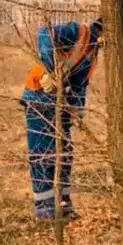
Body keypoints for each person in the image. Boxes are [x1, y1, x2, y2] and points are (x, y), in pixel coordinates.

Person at [20, 18, 102, 220]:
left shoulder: (93, 52)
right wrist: (52, 72)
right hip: (39, 96)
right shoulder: (79, 32)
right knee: (42, 153)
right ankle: (44, 208)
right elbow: (44, 34)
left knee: (64, 155)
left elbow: (80, 84)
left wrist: (77, 109)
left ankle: (63, 204)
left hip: (63, 104)